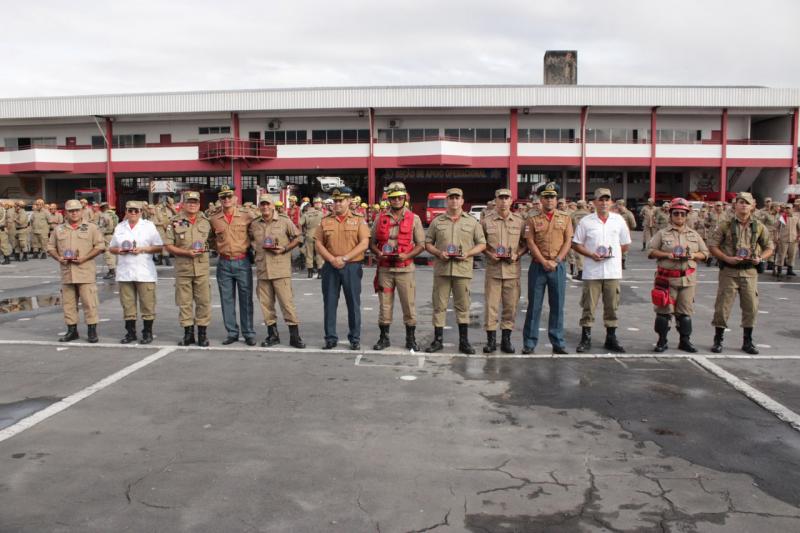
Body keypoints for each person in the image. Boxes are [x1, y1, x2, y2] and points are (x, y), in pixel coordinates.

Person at [707, 192, 774, 354]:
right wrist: (726, 258)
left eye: (747, 202)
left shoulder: (758, 226)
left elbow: (770, 247)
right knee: (723, 306)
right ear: (734, 205)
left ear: (753, 206)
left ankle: (748, 341)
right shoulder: (725, 224)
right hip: (729, 271)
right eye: (740, 202)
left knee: (751, 306)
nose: (743, 205)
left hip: (750, 272)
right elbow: (712, 245)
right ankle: (718, 339)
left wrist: (761, 258)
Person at [424, 188, 486, 354]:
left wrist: (468, 253)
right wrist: (438, 253)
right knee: (439, 306)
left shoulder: (472, 222)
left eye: (456, 198)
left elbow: (482, 243)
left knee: (463, 306)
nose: (453, 201)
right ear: (447, 201)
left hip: (462, 270)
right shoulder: (437, 221)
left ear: (462, 201)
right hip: (442, 270)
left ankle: (464, 342)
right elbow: (427, 242)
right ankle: (438, 341)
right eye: (450, 198)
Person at [572, 187, 632, 353]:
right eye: (600, 199)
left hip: (612, 271)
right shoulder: (586, 221)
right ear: (594, 202)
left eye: (607, 199)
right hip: (592, 271)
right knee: (588, 306)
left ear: (611, 202)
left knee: (612, 306)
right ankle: (586, 338)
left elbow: (626, 244)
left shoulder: (618, 220)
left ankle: (611, 337)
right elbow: (576, 243)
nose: (604, 202)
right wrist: (591, 254)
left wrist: (613, 254)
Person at [647, 198, 709, 352]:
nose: (679, 216)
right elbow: (650, 252)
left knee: (685, 314)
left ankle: (685, 341)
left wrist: (693, 255)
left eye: (682, 213)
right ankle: (662, 340)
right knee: (663, 313)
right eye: (676, 213)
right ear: (670, 215)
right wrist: (667, 255)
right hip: (666, 279)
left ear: (687, 215)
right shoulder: (662, 234)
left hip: (687, 279)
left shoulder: (694, 235)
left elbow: (706, 253)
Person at [369, 182, 426, 351]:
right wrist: (378, 253)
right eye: (393, 198)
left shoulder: (414, 218)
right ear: (389, 200)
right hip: (385, 269)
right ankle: (384, 338)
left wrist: (407, 255)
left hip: (405, 269)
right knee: (384, 305)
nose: (396, 201)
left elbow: (421, 244)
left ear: (405, 198)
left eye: (399, 197)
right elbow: (372, 243)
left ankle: (411, 339)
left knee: (408, 304)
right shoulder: (380, 218)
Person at [314, 187, 371, 350]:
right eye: (335, 201)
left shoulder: (359, 220)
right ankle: (330, 337)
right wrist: (332, 259)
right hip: (330, 267)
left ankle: (354, 338)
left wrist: (344, 258)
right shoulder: (325, 221)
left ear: (349, 201)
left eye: (341, 200)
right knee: (330, 303)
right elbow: (318, 243)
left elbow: (364, 244)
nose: (337, 204)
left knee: (353, 303)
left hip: (351, 266)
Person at [248, 194, 306, 348]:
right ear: (259, 207)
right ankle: (272, 335)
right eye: (262, 205)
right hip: (263, 270)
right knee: (266, 305)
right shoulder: (254, 224)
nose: (265, 207)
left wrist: (286, 248)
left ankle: (295, 336)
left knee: (287, 304)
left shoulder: (284, 221)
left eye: (267, 204)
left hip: (280, 269)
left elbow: (299, 237)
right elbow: (250, 240)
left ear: (273, 205)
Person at [522, 182, 572, 354]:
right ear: (541, 199)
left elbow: (568, 241)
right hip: (538, 266)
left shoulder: (565, 218)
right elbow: (530, 242)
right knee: (534, 306)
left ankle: (558, 342)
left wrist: (556, 260)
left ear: (557, 199)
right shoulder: (532, 218)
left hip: (557, 266)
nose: (549, 200)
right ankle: (529, 343)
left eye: (552, 197)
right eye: (546, 197)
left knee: (557, 306)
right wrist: (544, 261)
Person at [46, 200, 105, 343]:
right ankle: (72, 331)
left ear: (81, 211)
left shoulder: (91, 228)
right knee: (68, 304)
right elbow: (50, 247)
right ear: (66, 212)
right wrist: (59, 258)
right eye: (71, 211)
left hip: (85, 272)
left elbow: (100, 246)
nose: (74, 213)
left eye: (77, 210)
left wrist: (85, 258)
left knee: (89, 303)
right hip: (67, 272)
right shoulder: (59, 229)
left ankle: (92, 331)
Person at [109, 200, 164, 344]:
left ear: (141, 212)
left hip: (144, 271)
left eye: (136, 211)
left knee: (147, 304)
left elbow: (159, 246)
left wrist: (143, 249)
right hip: (125, 271)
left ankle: (147, 332)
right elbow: (112, 247)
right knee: (127, 305)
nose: (133, 213)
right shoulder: (120, 227)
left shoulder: (148, 226)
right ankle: (130, 333)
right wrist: (119, 250)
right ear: (126, 212)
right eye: (130, 210)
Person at [209, 185, 258, 346]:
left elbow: (255, 234)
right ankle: (232, 332)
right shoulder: (214, 218)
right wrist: (219, 249)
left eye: (229, 197)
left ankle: (248, 332)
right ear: (220, 200)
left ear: (235, 198)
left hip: (242, 260)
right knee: (226, 299)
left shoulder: (246, 216)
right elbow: (211, 239)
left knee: (246, 299)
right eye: (223, 197)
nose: (227, 200)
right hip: (224, 262)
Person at [481, 188, 527, 353]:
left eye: (506, 198)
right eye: (500, 198)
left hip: (512, 271)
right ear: (495, 200)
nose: (503, 201)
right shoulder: (486, 221)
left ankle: (506, 340)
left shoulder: (519, 221)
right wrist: (489, 254)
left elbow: (525, 244)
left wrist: (517, 254)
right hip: (493, 271)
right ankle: (491, 341)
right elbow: (481, 243)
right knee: (491, 307)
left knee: (510, 307)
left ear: (511, 200)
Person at [163, 191, 212, 347]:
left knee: (203, 302)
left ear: (199, 204)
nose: (192, 204)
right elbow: (168, 245)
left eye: (195, 202)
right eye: (189, 202)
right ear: (183, 203)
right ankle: (188, 334)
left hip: (202, 268)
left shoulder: (206, 221)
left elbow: (213, 241)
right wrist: (185, 252)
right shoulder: (175, 221)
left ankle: (202, 334)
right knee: (184, 303)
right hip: (183, 269)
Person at [299, 197, 325, 278]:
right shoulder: (321, 214)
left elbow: (299, 223)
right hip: (318, 235)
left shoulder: (306, 214)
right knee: (319, 254)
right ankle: (320, 273)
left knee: (309, 254)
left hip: (309, 234)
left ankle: (310, 273)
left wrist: (301, 232)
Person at [774, 203, 800, 278]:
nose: (787, 210)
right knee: (782, 255)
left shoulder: (796, 217)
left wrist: (799, 236)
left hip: (793, 239)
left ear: (792, 209)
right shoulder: (782, 217)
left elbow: (799, 228)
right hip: (783, 239)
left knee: (792, 255)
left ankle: (790, 270)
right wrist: (776, 237)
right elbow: (776, 227)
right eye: (786, 208)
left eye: (789, 208)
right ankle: (779, 270)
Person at [568, 200, 590, 280]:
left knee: (579, 256)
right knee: (589, 254)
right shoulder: (590, 214)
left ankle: (581, 273)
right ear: (585, 206)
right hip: (589, 237)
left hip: (577, 237)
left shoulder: (573, 215)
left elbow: (569, 227)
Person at [98, 202, 119, 279]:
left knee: (107, 253)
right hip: (114, 235)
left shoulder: (104, 216)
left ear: (103, 208)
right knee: (112, 253)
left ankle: (111, 271)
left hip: (107, 236)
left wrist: (99, 236)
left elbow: (101, 227)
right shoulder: (114, 215)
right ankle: (112, 270)